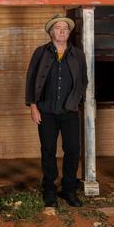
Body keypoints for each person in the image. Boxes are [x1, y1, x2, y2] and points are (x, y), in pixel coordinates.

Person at [24, 14, 87, 208]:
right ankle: (49, 190)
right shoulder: (41, 52)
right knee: (48, 150)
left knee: (73, 150)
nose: (62, 31)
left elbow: (83, 81)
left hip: (69, 111)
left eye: (65, 28)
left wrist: (75, 101)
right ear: (51, 32)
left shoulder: (78, 55)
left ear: (68, 33)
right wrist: (33, 106)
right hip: (46, 111)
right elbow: (31, 79)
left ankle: (68, 189)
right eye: (58, 28)